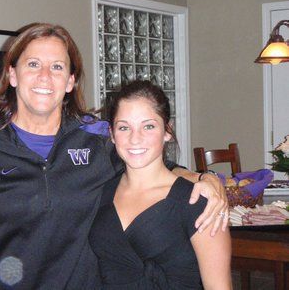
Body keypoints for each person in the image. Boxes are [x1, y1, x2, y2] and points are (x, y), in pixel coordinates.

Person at [0, 23, 229, 290]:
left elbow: (148, 162)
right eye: (33, 64)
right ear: (12, 74)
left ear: (70, 81)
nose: (45, 76)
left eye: (58, 67)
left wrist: (203, 178)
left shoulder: (99, 138)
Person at [89, 80, 232, 289]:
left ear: (167, 131)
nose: (135, 138)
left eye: (148, 126)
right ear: (111, 134)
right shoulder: (102, 192)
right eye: (123, 127)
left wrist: (206, 178)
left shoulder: (199, 203)